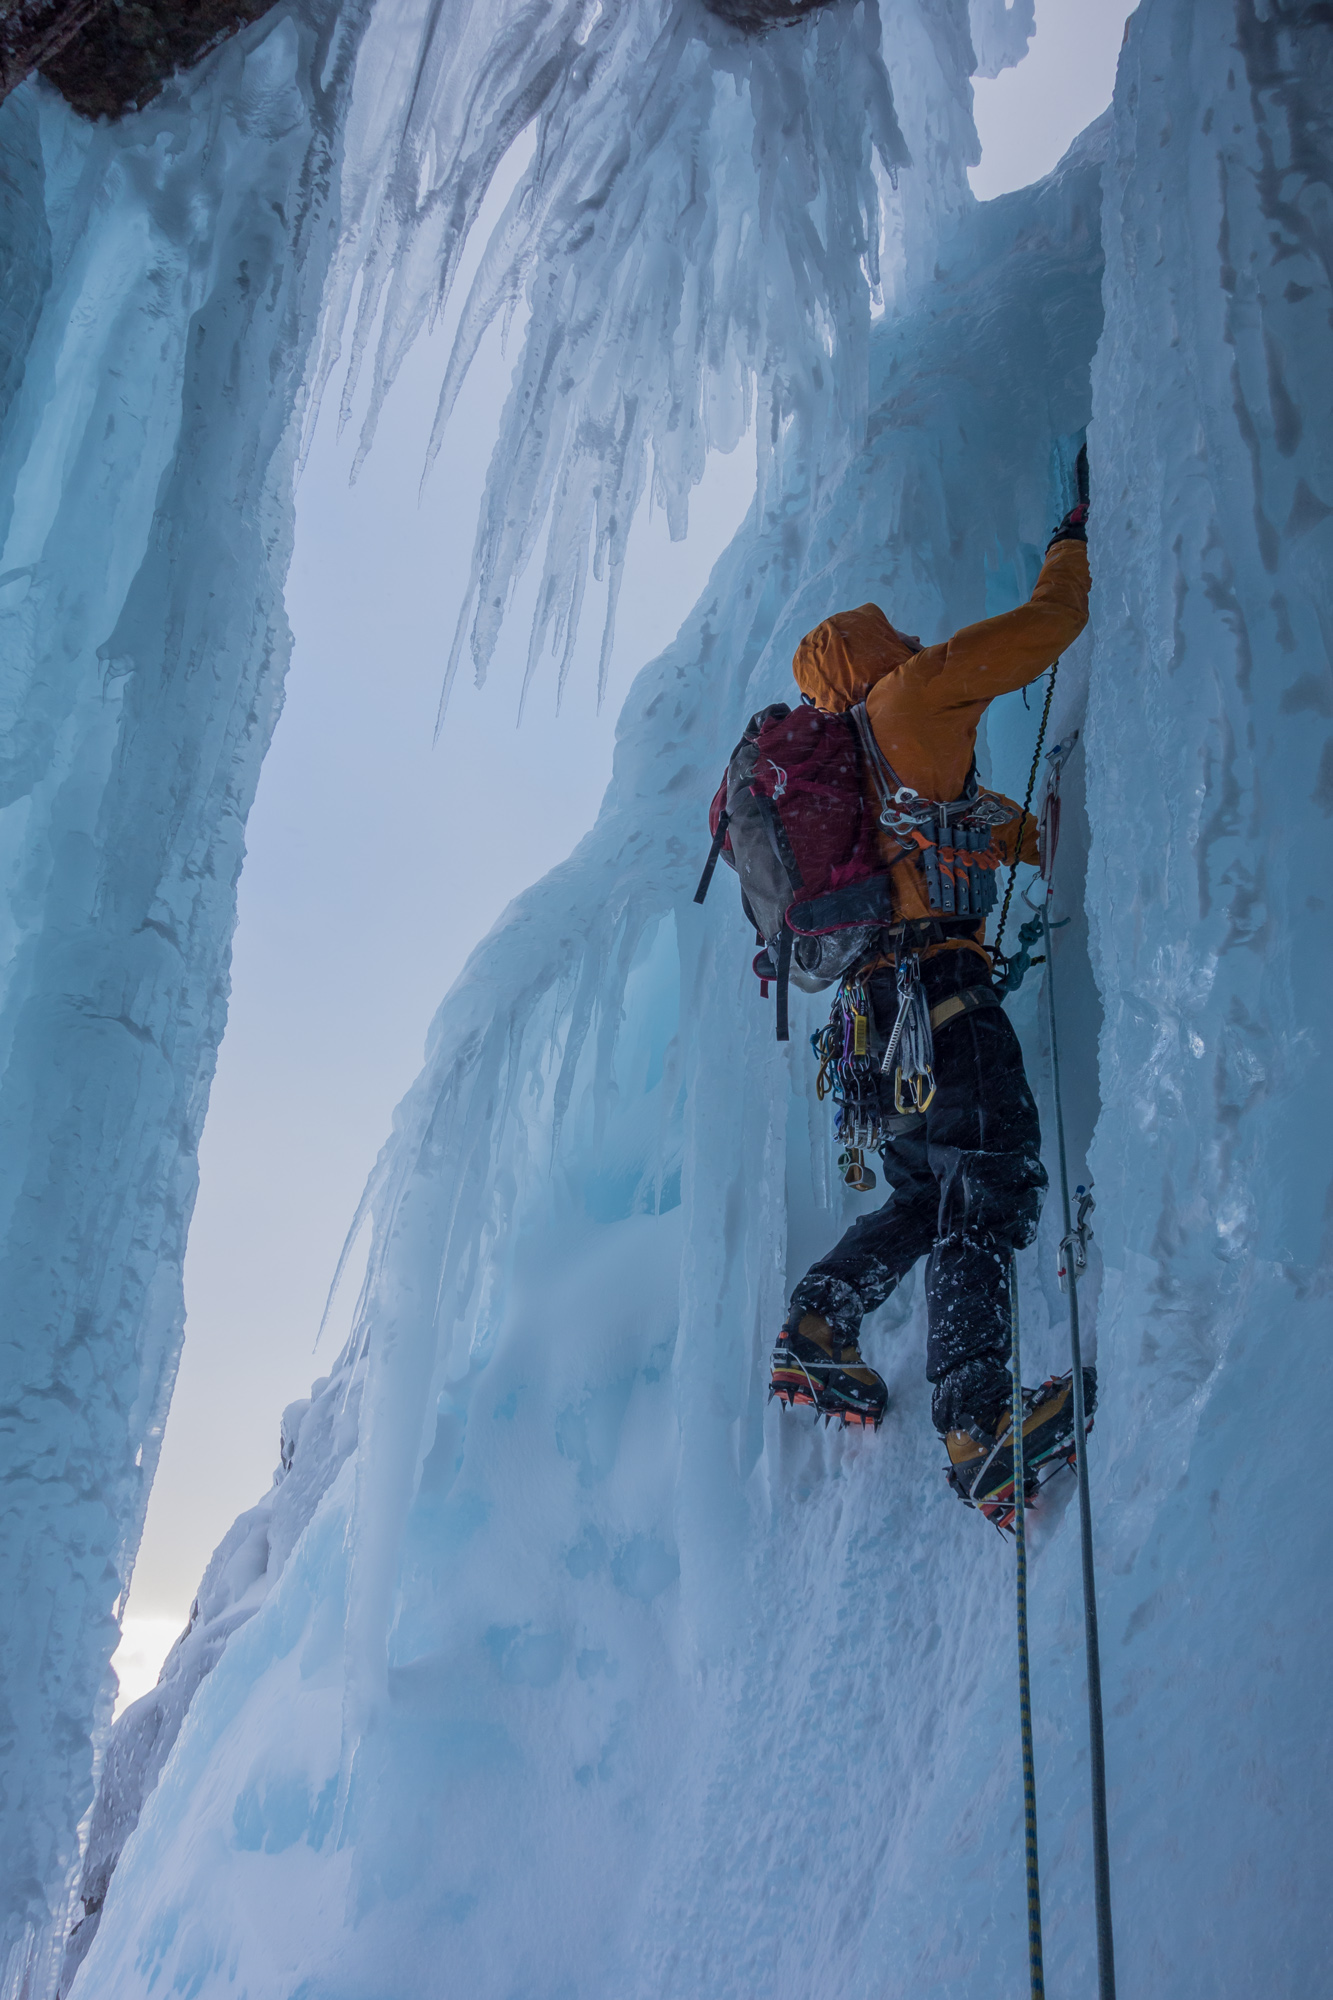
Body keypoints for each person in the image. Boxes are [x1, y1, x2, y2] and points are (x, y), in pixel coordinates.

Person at [768, 497, 1091, 1514]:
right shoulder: (909, 701)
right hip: (941, 1004)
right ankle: (976, 1421)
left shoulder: (858, 780)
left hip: (873, 1034)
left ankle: (817, 1322)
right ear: (874, 649)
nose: (911, 639)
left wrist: (1037, 840)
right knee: (983, 1174)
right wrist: (1071, 544)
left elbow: (955, 831)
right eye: (895, 636)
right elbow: (1044, 632)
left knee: (923, 1196)